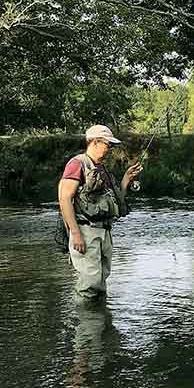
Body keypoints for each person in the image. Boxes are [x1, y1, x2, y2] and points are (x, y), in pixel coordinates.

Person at [58, 125, 143, 299]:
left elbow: (115, 200)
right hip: (85, 231)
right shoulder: (77, 164)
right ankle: (86, 322)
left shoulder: (102, 168)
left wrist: (126, 179)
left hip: (104, 232)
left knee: (100, 282)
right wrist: (75, 234)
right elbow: (65, 199)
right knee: (90, 284)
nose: (110, 149)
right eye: (107, 144)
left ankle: (100, 323)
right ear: (95, 142)